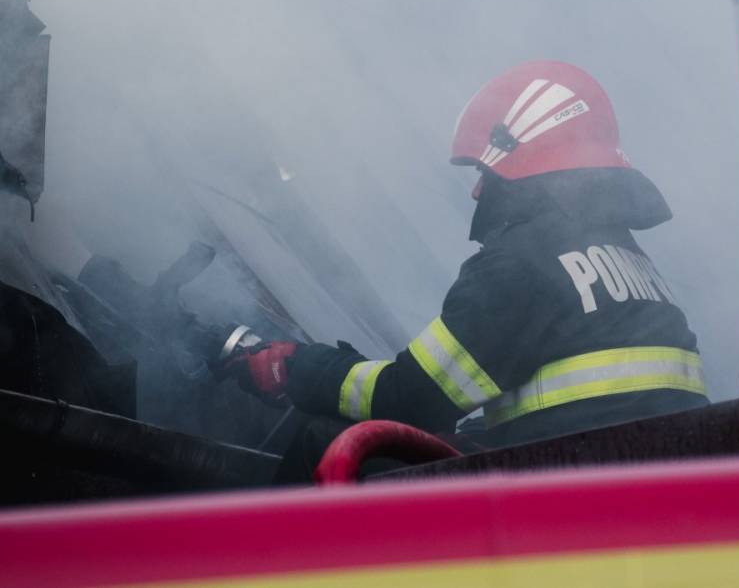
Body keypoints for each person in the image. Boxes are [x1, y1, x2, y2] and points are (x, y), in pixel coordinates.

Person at [223, 60, 708, 475]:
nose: (477, 192)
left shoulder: (521, 264)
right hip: (640, 494)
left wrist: (297, 367)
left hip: (565, 504)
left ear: (524, 169)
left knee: (330, 446)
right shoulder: (633, 263)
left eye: (486, 174)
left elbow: (408, 399)